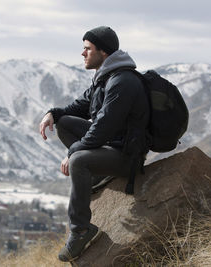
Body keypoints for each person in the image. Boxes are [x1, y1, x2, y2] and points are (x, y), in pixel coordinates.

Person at [39, 26, 149, 262]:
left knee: (78, 160)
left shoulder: (123, 82)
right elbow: (76, 108)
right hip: (109, 145)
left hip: (125, 155)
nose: (83, 53)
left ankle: (81, 230)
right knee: (65, 123)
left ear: (104, 52)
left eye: (87, 49)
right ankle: (97, 175)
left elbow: (102, 128)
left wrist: (73, 151)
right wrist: (53, 114)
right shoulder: (105, 78)